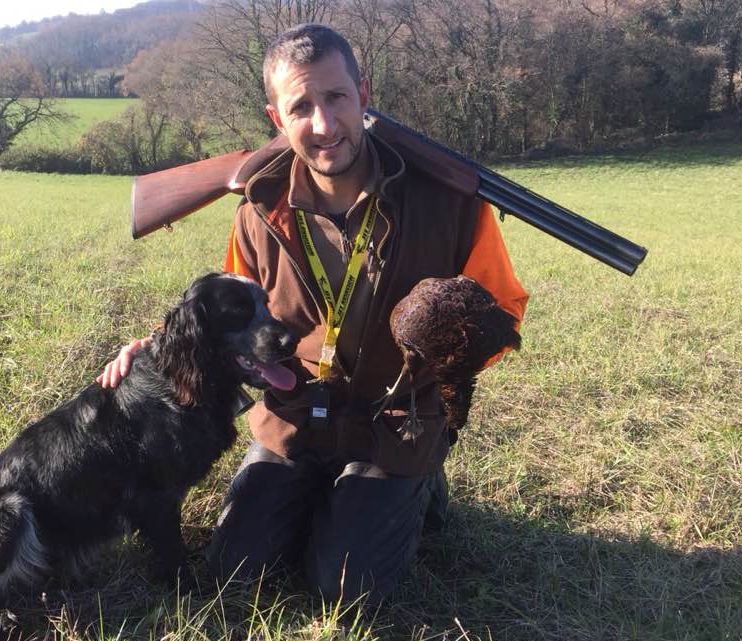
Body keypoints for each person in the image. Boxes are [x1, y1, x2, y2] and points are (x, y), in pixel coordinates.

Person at [99, 24, 529, 604]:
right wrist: (154, 347)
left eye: (336, 98)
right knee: (234, 570)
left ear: (364, 95)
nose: (324, 125)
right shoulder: (257, 204)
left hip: (393, 421)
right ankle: (335, 497)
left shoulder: (449, 200)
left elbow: (503, 315)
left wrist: (450, 335)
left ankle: (418, 482)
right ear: (277, 119)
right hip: (297, 411)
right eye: (301, 105)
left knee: (346, 589)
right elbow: (228, 309)